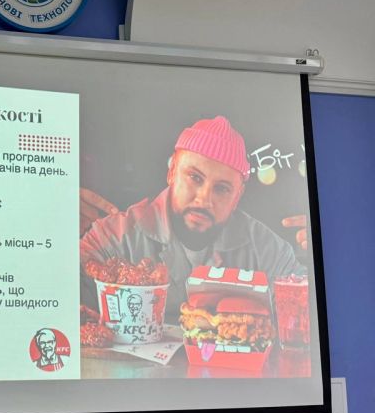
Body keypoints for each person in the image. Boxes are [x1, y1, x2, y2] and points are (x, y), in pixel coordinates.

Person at [80, 116, 306, 319]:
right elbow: (61, 296)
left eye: (222, 189)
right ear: (172, 172)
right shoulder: (114, 237)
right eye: (195, 178)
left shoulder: (267, 250)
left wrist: (322, 258)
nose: (204, 199)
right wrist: (58, 223)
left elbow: (307, 311)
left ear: (237, 196)